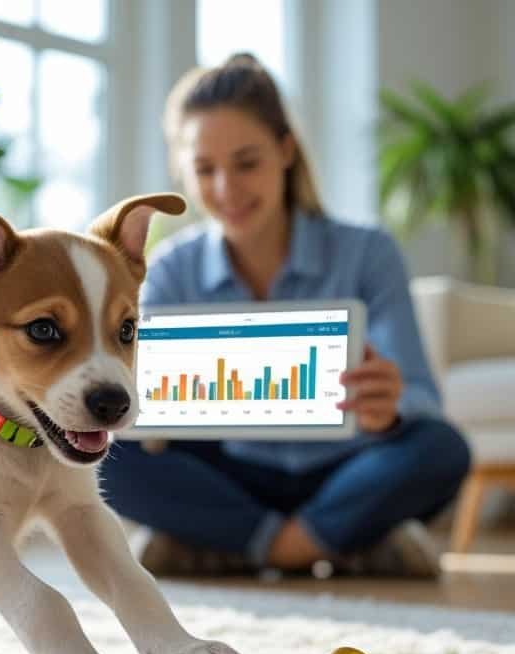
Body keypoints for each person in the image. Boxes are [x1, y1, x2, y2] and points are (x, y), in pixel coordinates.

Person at [100, 53, 472, 579]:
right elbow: (135, 405)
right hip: (231, 473)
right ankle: (342, 542)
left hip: (347, 467)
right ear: (184, 171)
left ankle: (231, 543)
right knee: (105, 454)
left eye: (247, 163)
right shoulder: (170, 268)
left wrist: (389, 406)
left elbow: (421, 399)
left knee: (441, 449)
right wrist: (145, 407)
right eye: (206, 169)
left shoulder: (368, 253)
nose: (226, 189)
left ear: (286, 150)